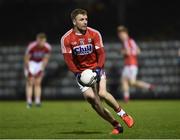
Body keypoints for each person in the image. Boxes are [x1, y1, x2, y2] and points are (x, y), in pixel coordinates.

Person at [60, 9, 134, 134]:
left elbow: (101, 54)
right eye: (81, 19)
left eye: (86, 19)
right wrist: (77, 74)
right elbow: (68, 60)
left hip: (96, 67)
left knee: (102, 93)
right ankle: (116, 125)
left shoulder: (94, 34)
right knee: (93, 101)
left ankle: (123, 114)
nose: (85, 22)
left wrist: (98, 68)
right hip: (81, 73)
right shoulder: (66, 39)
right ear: (74, 21)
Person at [117, 26, 155, 102]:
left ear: (125, 33)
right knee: (124, 80)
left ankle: (149, 86)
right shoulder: (127, 42)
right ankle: (126, 98)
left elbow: (137, 51)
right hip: (128, 65)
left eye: (121, 35)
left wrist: (125, 52)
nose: (120, 36)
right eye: (119, 35)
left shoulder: (129, 41)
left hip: (131, 64)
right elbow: (135, 51)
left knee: (132, 82)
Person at [24, 33, 51, 108]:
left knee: (38, 83)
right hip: (31, 63)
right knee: (30, 82)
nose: (41, 43)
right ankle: (29, 102)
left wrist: (41, 69)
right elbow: (26, 59)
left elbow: (45, 59)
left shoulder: (47, 47)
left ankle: (37, 101)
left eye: (43, 41)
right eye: (40, 41)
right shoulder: (32, 46)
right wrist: (28, 69)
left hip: (39, 63)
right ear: (37, 40)